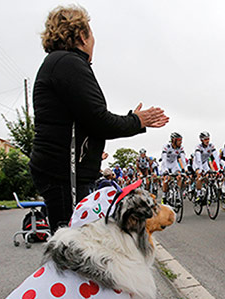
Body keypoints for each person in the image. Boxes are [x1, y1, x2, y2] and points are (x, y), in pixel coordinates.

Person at [29, 5, 168, 231]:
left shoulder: (61, 63)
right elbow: (99, 121)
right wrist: (138, 121)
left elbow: (89, 118)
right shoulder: (68, 64)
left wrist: (133, 119)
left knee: (75, 246)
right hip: (66, 173)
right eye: (91, 34)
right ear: (82, 36)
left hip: (63, 171)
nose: (94, 40)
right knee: (75, 248)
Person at [192, 131, 217, 200]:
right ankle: (198, 193)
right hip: (197, 163)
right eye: (205, 139)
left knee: (209, 176)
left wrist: (217, 169)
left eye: (208, 139)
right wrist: (200, 169)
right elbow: (199, 159)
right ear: (201, 140)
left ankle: (208, 189)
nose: (207, 141)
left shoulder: (211, 146)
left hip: (205, 163)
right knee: (199, 175)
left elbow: (216, 157)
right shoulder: (198, 147)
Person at [161, 132, 187, 197]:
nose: (181, 142)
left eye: (181, 140)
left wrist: (184, 169)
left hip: (174, 164)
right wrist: (165, 171)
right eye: (179, 140)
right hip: (166, 164)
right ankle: (164, 195)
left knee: (179, 177)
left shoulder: (181, 148)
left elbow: (183, 159)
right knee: (167, 179)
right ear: (174, 140)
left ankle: (178, 194)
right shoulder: (166, 147)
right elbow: (163, 160)